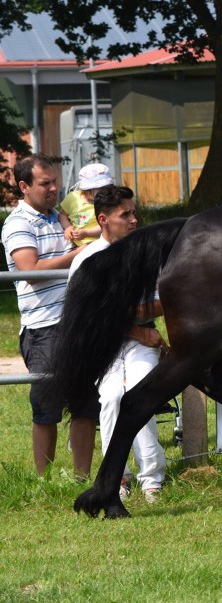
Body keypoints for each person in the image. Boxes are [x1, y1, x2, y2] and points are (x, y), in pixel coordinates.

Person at [68, 185, 168, 502]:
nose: (134, 220)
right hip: (105, 348)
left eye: (134, 212)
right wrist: (135, 327)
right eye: (125, 214)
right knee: (112, 398)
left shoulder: (145, 255)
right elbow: (84, 316)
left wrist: (115, 314)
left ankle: (151, 478)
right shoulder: (85, 260)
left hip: (141, 344)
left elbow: (159, 304)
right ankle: (119, 476)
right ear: (103, 219)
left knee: (139, 394)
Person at [1, 154, 93, 478]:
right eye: (45, 183)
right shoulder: (18, 223)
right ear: (24, 186)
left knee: (86, 403)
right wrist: (77, 256)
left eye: (55, 181)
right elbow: (30, 271)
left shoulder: (60, 217)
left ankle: (82, 479)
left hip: (78, 323)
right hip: (44, 329)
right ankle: (45, 484)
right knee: (46, 408)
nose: (54, 188)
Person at [57, 162, 114, 246]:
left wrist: (87, 233)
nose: (106, 192)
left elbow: (106, 225)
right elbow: (62, 215)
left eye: (108, 188)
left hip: (99, 243)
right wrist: (68, 227)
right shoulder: (73, 198)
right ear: (88, 189)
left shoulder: (108, 202)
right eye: (101, 188)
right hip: (75, 244)